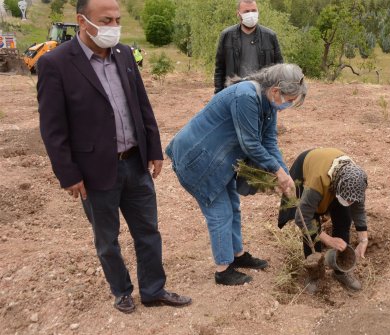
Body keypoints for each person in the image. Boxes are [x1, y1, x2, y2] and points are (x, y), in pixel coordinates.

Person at [36, 0, 192, 314]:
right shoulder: (56, 64)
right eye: (106, 20)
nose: (114, 27)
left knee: (148, 232)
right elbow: (53, 129)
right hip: (94, 172)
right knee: (107, 240)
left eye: (117, 20)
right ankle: (121, 291)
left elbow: (142, 105)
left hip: (135, 163)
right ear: (82, 21)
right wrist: (68, 174)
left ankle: (153, 289)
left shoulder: (123, 54)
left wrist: (153, 148)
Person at [165, 63, 307, 286]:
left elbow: (269, 141)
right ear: (276, 91)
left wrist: (285, 174)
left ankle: (238, 255)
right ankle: (224, 269)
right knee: (220, 212)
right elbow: (250, 143)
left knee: (233, 207)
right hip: (199, 158)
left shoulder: (268, 103)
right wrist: (277, 171)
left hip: (221, 160)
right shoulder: (246, 96)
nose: (288, 105)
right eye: (288, 99)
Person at [278, 148, 369, 294]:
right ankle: (314, 274)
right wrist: (328, 239)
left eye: (352, 199)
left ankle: (340, 271)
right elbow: (302, 220)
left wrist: (363, 240)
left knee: (344, 219)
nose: (349, 202)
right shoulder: (317, 183)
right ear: (338, 186)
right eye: (346, 198)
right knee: (312, 229)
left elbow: (358, 209)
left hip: (333, 179)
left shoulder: (355, 181)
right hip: (307, 171)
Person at [213, 0, 283, 94]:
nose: (251, 14)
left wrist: (277, 93)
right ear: (238, 14)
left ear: (258, 12)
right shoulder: (227, 36)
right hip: (234, 93)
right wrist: (218, 94)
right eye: (246, 11)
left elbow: (279, 68)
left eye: (254, 10)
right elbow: (220, 69)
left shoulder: (270, 36)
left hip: (263, 94)